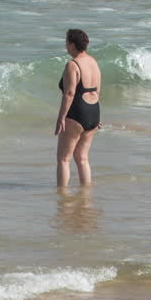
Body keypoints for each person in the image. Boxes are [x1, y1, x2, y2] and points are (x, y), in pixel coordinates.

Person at [55, 28, 101, 187]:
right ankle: (86, 195)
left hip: (77, 112)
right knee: (82, 158)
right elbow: (97, 91)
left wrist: (61, 118)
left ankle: (63, 197)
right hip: (94, 111)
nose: (66, 46)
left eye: (67, 43)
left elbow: (69, 94)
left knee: (63, 158)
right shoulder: (93, 62)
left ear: (73, 45)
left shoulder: (72, 65)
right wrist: (96, 117)